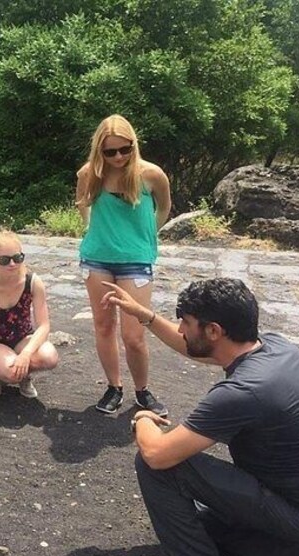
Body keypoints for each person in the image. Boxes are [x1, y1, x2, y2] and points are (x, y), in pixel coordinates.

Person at [103, 278, 299, 556]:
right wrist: (146, 317)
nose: (180, 329)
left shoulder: (244, 391)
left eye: (185, 322)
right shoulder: (275, 347)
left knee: (163, 468)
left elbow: (157, 454)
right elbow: (199, 348)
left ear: (213, 330)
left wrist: (141, 420)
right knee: (199, 520)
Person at [76, 114, 172, 416]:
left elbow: (165, 207)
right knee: (104, 326)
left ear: (134, 145)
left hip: (135, 261)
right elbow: (83, 205)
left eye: (125, 149)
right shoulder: (89, 174)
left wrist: (146, 239)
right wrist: (94, 231)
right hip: (97, 258)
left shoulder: (151, 174)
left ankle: (142, 390)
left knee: (134, 334)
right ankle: (113, 386)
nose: (118, 156)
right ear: (99, 151)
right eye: (110, 151)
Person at [0, 231, 60, 413]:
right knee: (10, 372)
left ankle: (23, 373)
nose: (12, 264)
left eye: (17, 258)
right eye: (4, 260)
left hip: (22, 337)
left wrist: (26, 354)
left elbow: (44, 325)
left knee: (50, 357)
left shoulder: (32, 282)